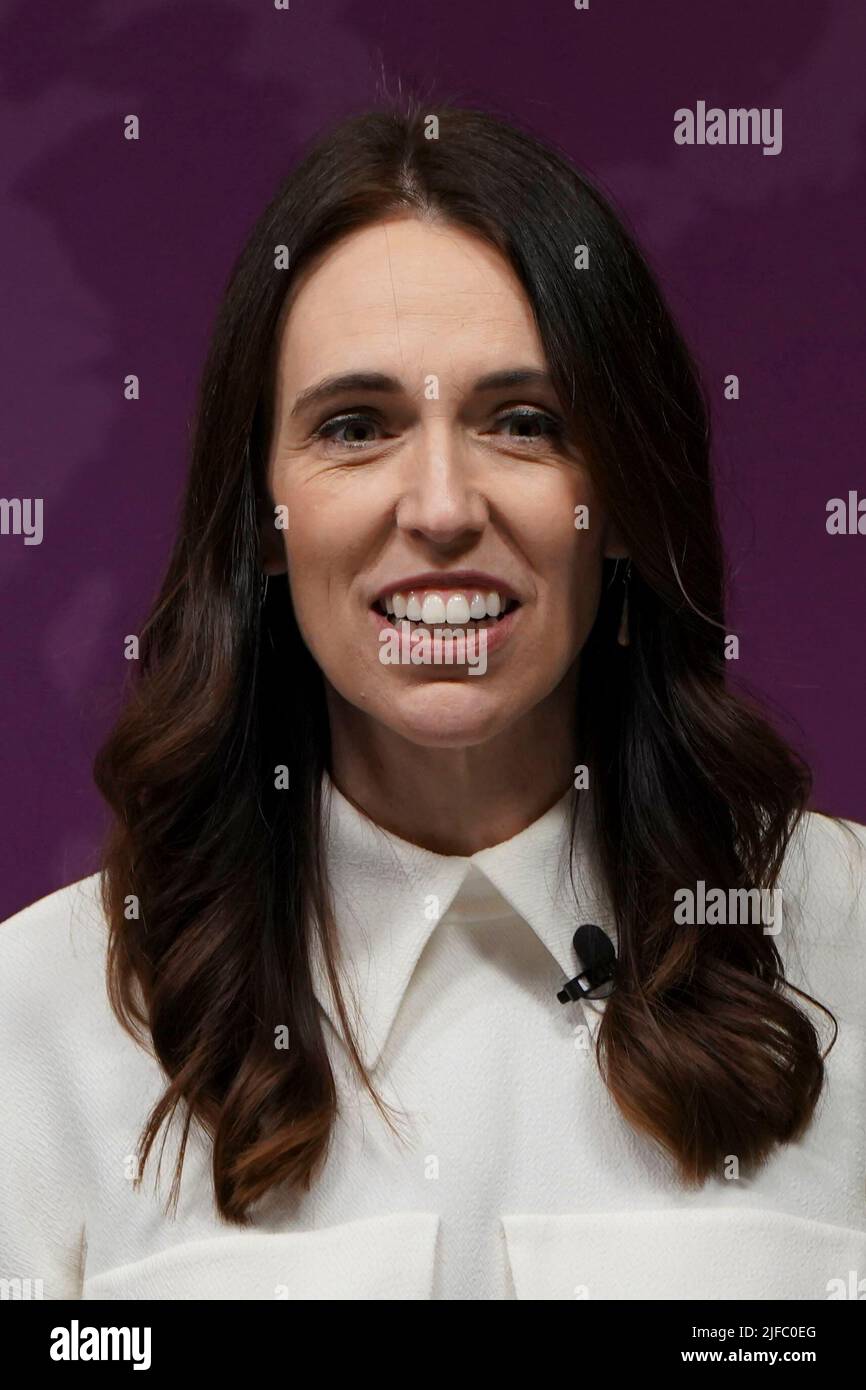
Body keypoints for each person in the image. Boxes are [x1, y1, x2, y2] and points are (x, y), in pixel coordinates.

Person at [1, 102, 864, 1301]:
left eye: (522, 422)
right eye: (355, 427)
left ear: (612, 501)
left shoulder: (849, 943)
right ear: (262, 520)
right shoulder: (34, 1024)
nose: (444, 506)